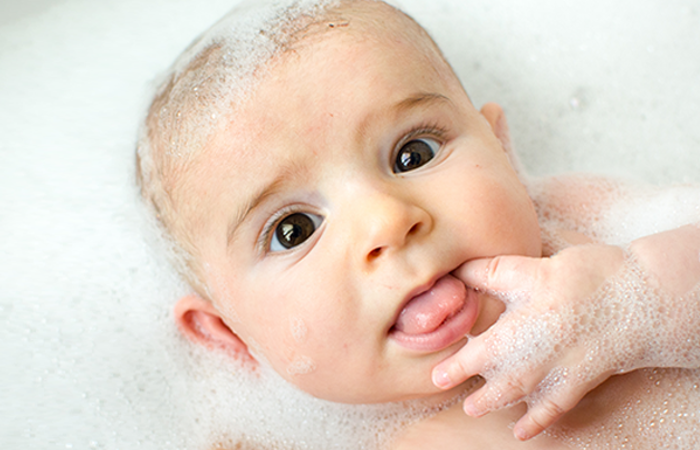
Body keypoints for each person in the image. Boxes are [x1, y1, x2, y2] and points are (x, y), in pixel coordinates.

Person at [135, 0, 700, 447]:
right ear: (232, 338)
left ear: (503, 151)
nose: (388, 221)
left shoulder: (593, 228)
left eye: (414, 154)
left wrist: (639, 294)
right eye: (295, 230)